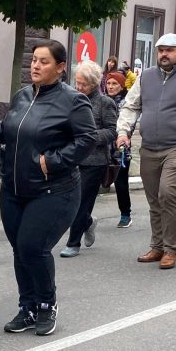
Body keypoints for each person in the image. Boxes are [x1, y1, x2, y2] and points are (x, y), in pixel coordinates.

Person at [0, 40, 96, 335]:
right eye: (34, 60)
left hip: (54, 190)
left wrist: (54, 161)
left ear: (60, 68)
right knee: (19, 250)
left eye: (43, 61)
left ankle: (47, 304)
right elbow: (9, 130)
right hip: (14, 189)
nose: (35, 65)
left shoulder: (73, 101)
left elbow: (87, 139)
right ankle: (27, 308)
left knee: (33, 247)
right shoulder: (22, 96)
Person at [116, 33, 176, 270]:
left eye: (169, 50)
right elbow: (130, 106)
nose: (164, 54)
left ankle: (171, 249)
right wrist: (123, 131)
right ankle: (157, 246)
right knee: (154, 200)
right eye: (161, 50)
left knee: (168, 193)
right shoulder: (145, 77)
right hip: (149, 146)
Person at [59, 61, 117, 257]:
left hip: (94, 161)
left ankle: (73, 243)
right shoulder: (72, 99)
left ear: (94, 84)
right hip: (71, 157)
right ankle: (89, 222)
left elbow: (111, 131)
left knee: (81, 202)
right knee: (67, 201)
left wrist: (88, 138)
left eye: (83, 84)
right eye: (77, 82)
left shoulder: (105, 103)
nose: (79, 87)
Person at [106, 71, 133, 228]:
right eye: (108, 83)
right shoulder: (102, 100)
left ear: (122, 86)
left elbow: (129, 124)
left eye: (114, 83)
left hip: (120, 150)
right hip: (102, 149)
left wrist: (123, 137)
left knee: (121, 184)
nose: (110, 86)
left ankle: (125, 215)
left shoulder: (126, 103)